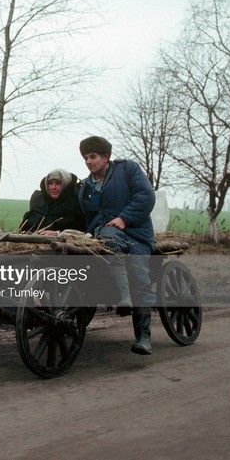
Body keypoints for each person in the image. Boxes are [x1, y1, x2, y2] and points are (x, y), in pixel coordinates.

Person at [77, 136, 156, 355]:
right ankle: (123, 297)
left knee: (140, 275)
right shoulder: (86, 187)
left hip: (137, 233)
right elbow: (89, 217)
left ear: (106, 157)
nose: (89, 162)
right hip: (107, 235)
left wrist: (125, 218)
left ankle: (143, 336)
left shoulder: (127, 170)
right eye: (85, 158)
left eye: (93, 156)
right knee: (108, 237)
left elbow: (145, 195)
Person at [20, 168, 86, 235]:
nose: (53, 187)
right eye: (50, 183)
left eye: (58, 183)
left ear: (65, 184)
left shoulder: (75, 201)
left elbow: (80, 229)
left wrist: (58, 233)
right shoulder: (37, 199)